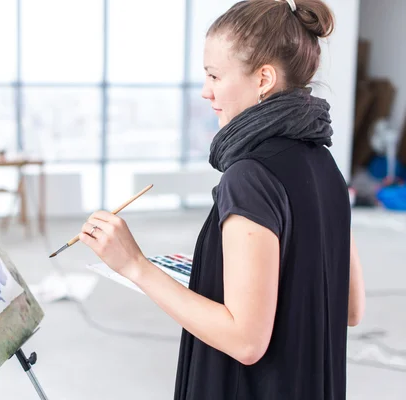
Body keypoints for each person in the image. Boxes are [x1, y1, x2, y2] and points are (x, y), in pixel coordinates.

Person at [78, 0, 366, 398]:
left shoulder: (248, 177)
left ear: (263, 78)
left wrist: (136, 266)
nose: (205, 91)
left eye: (214, 75)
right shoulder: (325, 164)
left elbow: (246, 342)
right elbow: (350, 308)